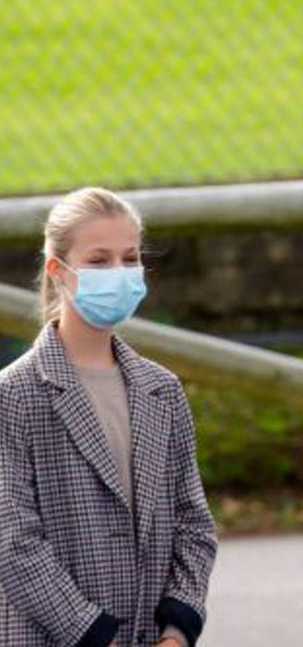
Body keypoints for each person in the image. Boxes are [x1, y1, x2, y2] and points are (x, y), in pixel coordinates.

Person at [0, 188, 218, 647]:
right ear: (59, 271)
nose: (118, 274)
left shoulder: (163, 391)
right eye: (99, 261)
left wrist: (177, 630)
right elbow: (12, 540)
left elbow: (193, 524)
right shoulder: (14, 396)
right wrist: (94, 633)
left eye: (130, 258)